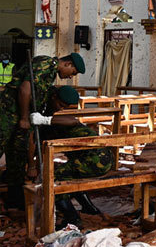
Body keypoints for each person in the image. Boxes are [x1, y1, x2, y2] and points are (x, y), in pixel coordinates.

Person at [0, 52, 84, 208]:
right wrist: (25, 118)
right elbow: (25, 89)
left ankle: (14, 202)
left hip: (18, 119)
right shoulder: (46, 64)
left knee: (17, 157)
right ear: (67, 64)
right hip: (8, 113)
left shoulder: (50, 74)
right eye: (72, 73)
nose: (70, 77)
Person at [30, 86, 112, 226]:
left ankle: (72, 217)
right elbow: (38, 149)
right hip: (104, 159)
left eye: (64, 106)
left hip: (94, 160)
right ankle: (89, 208)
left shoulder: (57, 119)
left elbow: (73, 120)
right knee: (69, 174)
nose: (61, 108)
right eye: (60, 105)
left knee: (53, 177)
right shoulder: (51, 123)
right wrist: (34, 167)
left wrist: (44, 120)